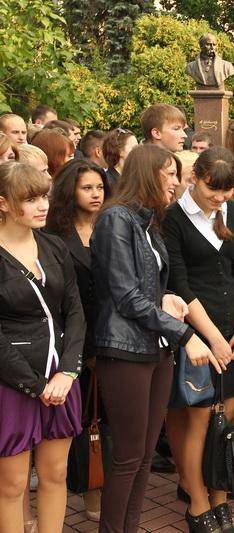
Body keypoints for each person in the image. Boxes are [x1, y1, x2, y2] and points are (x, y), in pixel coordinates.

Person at [91, 144, 215, 533]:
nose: (176, 182)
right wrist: (185, 334)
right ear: (148, 174)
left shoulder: (148, 221)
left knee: (144, 456)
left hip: (155, 348)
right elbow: (125, 295)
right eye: (170, 174)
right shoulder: (115, 219)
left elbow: (145, 287)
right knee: (128, 456)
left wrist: (167, 297)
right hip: (125, 349)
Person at [162, 147, 234, 533]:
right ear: (194, 178)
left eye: (226, 190)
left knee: (227, 421)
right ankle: (197, 500)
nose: (219, 197)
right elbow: (179, 282)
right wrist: (213, 338)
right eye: (212, 189)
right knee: (198, 421)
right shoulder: (173, 218)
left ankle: (221, 496)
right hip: (197, 334)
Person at [0, 162, 85, 533]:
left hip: (61, 376)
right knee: (12, 484)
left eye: (43, 197)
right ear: (3, 203)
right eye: (30, 199)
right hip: (12, 381)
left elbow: (75, 311)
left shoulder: (53, 245)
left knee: (56, 472)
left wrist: (68, 371)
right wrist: (36, 385)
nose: (42, 205)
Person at [45, 158, 109, 521]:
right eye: (87, 188)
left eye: (99, 187)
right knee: (80, 419)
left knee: (104, 420)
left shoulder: (111, 225)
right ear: (70, 191)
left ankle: (98, 490)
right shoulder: (53, 233)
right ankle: (82, 487)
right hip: (69, 340)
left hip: (110, 335)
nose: (95, 194)